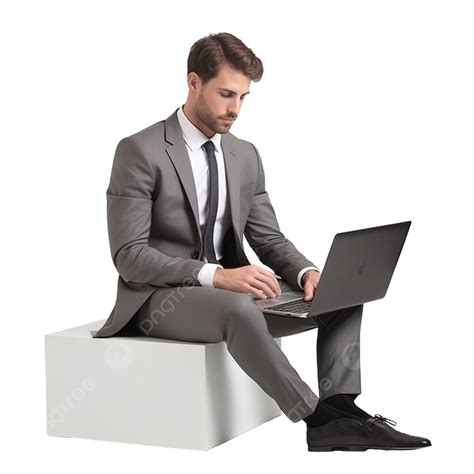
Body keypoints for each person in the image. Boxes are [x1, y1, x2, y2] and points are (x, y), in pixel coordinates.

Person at [93, 32, 431, 451]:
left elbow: (268, 238)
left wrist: (307, 272)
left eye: (243, 97)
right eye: (225, 94)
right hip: (158, 301)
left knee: (341, 293)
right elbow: (129, 256)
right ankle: (317, 418)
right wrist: (217, 276)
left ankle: (342, 408)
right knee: (236, 305)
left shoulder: (244, 154)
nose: (234, 109)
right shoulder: (140, 151)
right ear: (193, 82)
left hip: (235, 302)